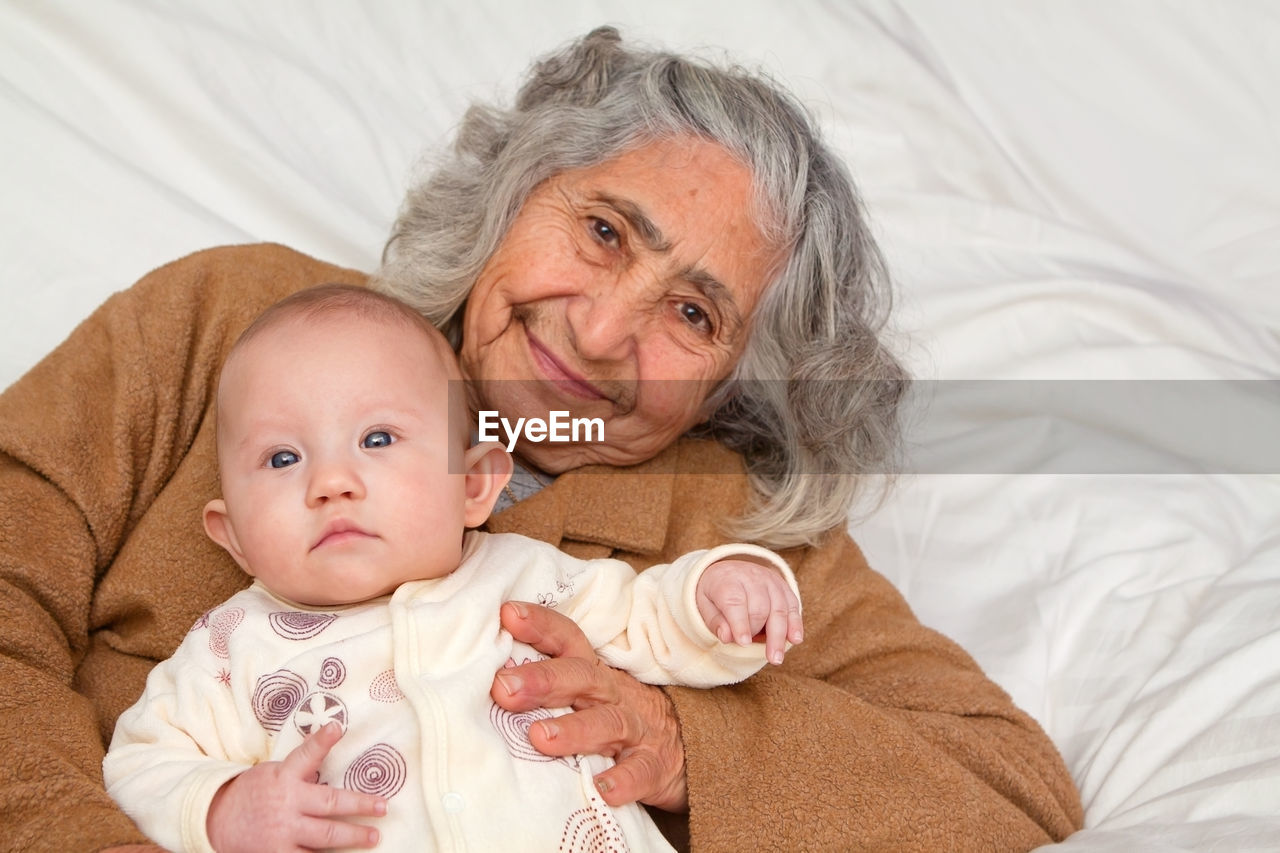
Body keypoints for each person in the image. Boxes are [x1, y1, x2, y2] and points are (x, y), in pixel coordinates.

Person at [0, 26, 1083, 853]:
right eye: (603, 231)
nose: (605, 333)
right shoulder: (227, 324)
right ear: (513, 194)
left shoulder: (731, 532)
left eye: (693, 315)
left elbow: (1003, 778)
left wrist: (674, 742)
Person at [103, 284, 801, 852]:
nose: (332, 480)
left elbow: (648, 616)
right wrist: (223, 809)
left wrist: (717, 589)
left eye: (377, 438)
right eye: (283, 458)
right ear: (235, 537)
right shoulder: (232, 647)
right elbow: (140, 762)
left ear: (473, 485)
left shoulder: (527, 580)